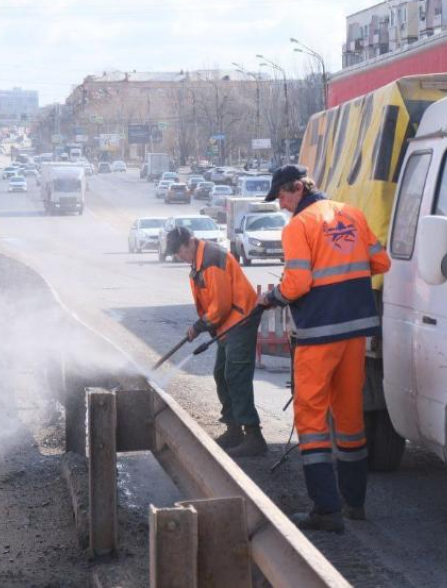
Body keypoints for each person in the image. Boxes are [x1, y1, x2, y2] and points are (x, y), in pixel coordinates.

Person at [258, 165, 391, 533]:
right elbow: (381, 262)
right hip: (354, 334)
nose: (282, 206)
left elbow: (298, 283)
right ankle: (354, 503)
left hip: (318, 333)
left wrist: (274, 296)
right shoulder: (352, 213)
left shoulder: (299, 227)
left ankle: (326, 510)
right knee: (348, 416)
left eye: (283, 197)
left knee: (311, 419)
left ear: (298, 188)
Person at [165, 226, 267, 457]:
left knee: (236, 375)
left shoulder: (211, 259)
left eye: (180, 251)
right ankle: (234, 430)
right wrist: (201, 325)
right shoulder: (199, 261)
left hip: (240, 319)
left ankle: (253, 436)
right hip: (227, 323)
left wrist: (199, 326)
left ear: (190, 242)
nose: (180, 257)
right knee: (221, 373)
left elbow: (220, 305)